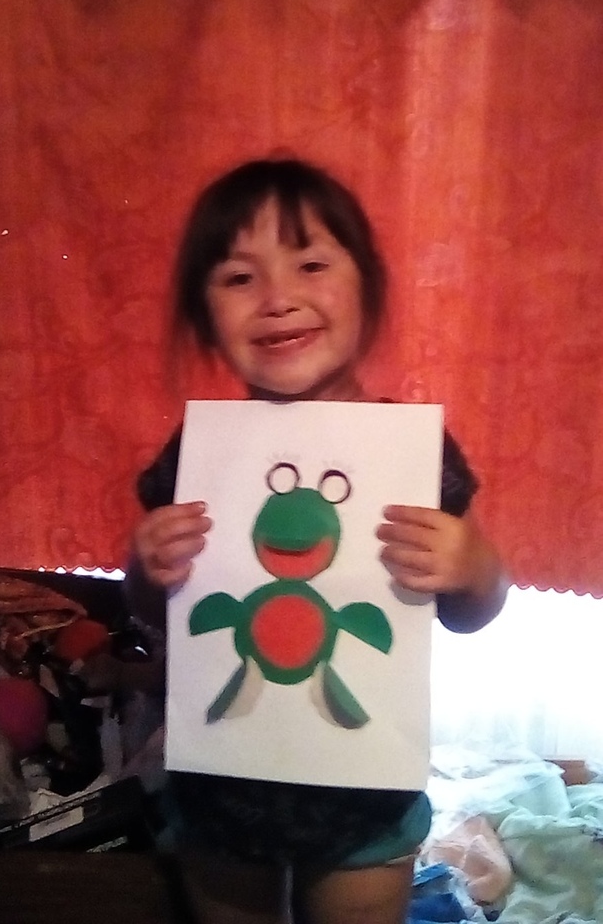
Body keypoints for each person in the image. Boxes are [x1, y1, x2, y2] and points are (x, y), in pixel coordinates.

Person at [125, 157, 508, 924]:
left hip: (366, 800)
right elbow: (150, 607)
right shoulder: (196, 455)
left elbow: (474, 611)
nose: (277, 298)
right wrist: (143, 564)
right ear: (203, 313)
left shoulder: (411, 455)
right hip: (221, 787)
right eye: (239, 277)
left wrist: (473, 567)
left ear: (367, 285)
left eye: (310, 264)